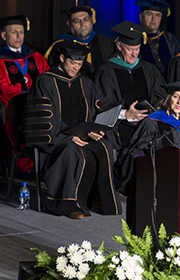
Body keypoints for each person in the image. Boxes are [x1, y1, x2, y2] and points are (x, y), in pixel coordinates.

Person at [24, 42, 123, 219]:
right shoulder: (45, 81)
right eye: (72, 63)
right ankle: (66, 203)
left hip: (82, 135)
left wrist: (95, 130)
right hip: (56, 138)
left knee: (104, 146)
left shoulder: (85, 83)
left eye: (80, 64)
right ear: (62, 58)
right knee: (71, 149)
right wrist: (69, 136)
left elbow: (94, 113)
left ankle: (98, 199)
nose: (76, 68)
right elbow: (44, 119)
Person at [114, 81, 180, 232]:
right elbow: (134, 150)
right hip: (156, 180)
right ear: (169, 99)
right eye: (176, 97)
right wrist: (149, 159)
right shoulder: (153, 121)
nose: (179, 102)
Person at [95, 20, 167, 147]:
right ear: (119, 46)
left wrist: (157, 106)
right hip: (122, 124)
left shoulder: (148, 69)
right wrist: (125, 114)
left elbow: (160, 94)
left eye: (137, 49)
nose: (134, 54)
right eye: (130, 49)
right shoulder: (106, 71)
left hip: (150, 120)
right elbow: (104, 105)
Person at [0, 14, 49, 172]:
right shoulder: (1, 59)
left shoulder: (35, 56)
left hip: (38, 102)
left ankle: (43, 161)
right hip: (12, 103)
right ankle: (24, 163)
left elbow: (47, 79)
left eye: (21, 32)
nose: (19, 36)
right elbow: (3, 87)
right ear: (4, 35)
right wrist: (22, 93)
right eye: (14, 32)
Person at [44, 6, 115, 80]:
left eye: (86, 19)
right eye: (77, 21)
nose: (83, 24)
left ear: (91, 21)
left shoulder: (106, 43)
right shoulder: (61, 45)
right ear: (69, 24)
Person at [135, 0, 180, 74]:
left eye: (157, 15)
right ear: (141, 17)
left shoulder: (169, 38)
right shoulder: (134, 38)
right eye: (149, 14)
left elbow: (179, 64)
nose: (154, 19)